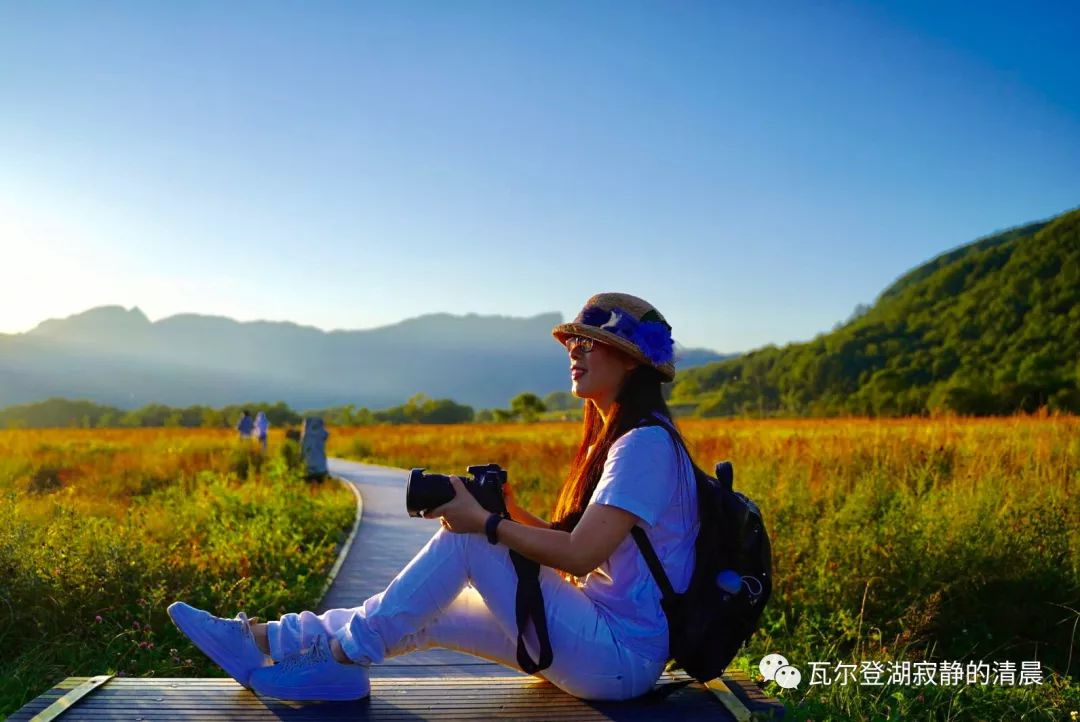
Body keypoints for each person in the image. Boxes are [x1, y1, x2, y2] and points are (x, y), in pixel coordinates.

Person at [168, 292, 700, 703]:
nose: (574, 352)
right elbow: (577, 548)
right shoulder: (626, 441)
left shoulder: (644, 444)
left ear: (631, 361)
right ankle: (272, 642)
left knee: (468, 542)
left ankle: (342, 655)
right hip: (602, 637)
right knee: (431, 610)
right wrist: (508, 507)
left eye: (589, 342)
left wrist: (485, 524)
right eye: (571, 343)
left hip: (620, 656)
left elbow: (580, 557)